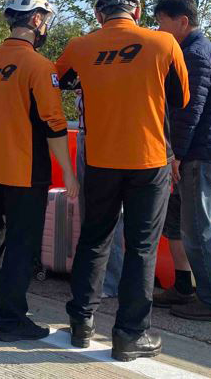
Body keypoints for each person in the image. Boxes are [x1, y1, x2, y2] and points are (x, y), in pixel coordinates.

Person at [57, 0, 190, 362]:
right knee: (141, 248)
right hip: (149, 161)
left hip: (100, 160)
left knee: (94, 238)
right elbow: (181, 98)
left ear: (99, 14)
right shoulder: (164, 43)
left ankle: (81, 323)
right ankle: (130, 335)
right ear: (137, 11)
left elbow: (61, 81)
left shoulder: (80, 46)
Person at [0, 0, 78, 341]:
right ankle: (12, 319)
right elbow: (54, 124)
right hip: (26, 170)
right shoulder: (39, 66)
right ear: (36, 19)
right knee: (22, 244)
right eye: (44, 19)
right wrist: (69, 174)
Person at [154, 0, 211, 323]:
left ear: (182, 22)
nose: (158, 30)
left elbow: (188, 111)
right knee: (176, 223)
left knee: (196, 229)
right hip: (197, 153)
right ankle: (182, 287)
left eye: (162, 22)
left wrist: (176, 155)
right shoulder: (191, 51)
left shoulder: (195, 54)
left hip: (201, 155)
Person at [76, 88, 124, 298]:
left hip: (107, 138)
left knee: (108, 214)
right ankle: (94, 279)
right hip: (87, 135)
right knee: (90, 214)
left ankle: (109, 281)